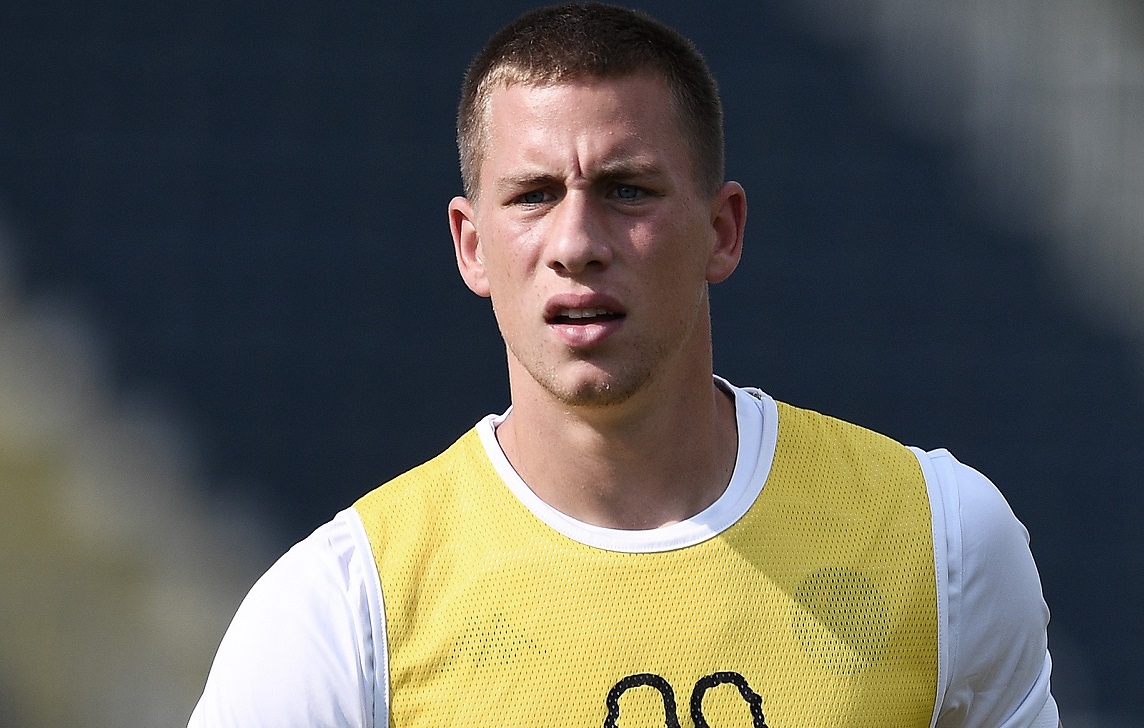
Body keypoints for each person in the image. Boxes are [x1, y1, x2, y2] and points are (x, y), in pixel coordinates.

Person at [188, 4, 1060, 727]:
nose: (576, 243)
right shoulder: (345, 612)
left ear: (722, 230)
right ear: (472, 245)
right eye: (533, 196)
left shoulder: (940, 543)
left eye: (626, 190)